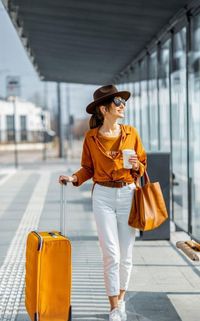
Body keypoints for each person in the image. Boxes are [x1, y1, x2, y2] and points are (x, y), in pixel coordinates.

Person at [59, 84, 147, 321]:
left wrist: (138, 166)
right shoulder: (90, 137)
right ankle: (114, 308)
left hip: (128, 193)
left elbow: (143, 164)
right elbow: (88, 168)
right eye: (118, 102)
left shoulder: (132, 133)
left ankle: (121, 300)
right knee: (111, 254)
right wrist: (74, 178)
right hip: (103, 197)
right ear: (103, 109)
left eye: (123, 102)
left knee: (126, 256)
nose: (123, 105)